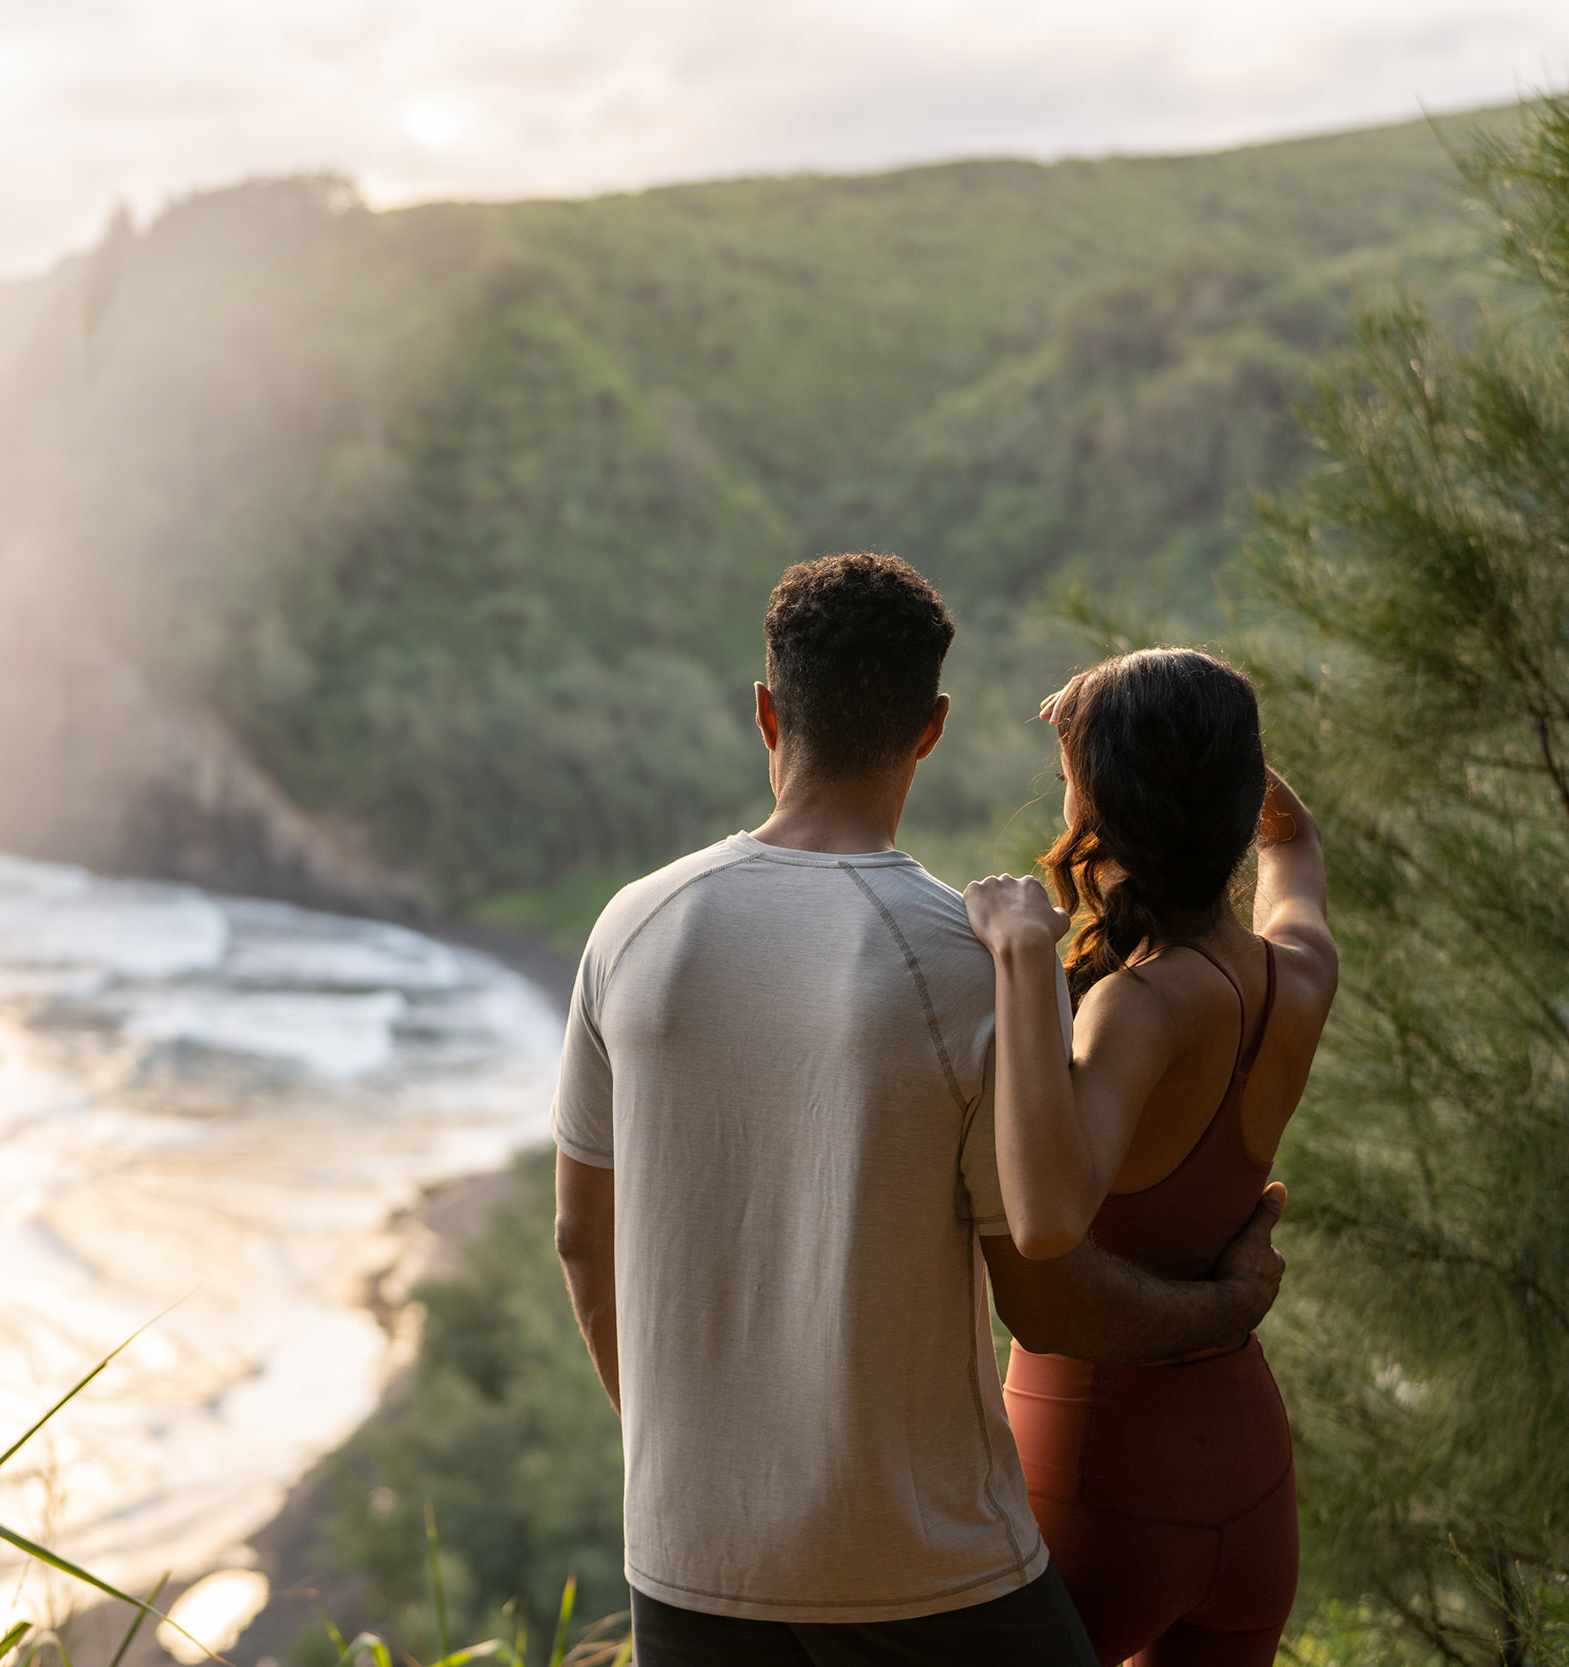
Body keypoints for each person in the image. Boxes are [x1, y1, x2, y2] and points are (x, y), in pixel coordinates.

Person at [553, 556, 1288, 1667]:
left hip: (688, 1559)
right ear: (930, 727)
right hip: (930, 1574)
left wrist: (692, 1468)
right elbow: (1051, 1303)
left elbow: (578, 1235)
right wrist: (1224, 1305)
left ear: (765, 709)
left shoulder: (631, 927)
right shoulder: (977, 961)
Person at [963, 649, 1338, 1666]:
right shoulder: (1300, 972)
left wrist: (1016, 953)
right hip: (1248, 1479)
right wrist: (1199, 753)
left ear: (1103, 809)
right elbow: (1294, 847)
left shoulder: (1140, 1004)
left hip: (1100, 1474)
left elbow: (1046, 1218)